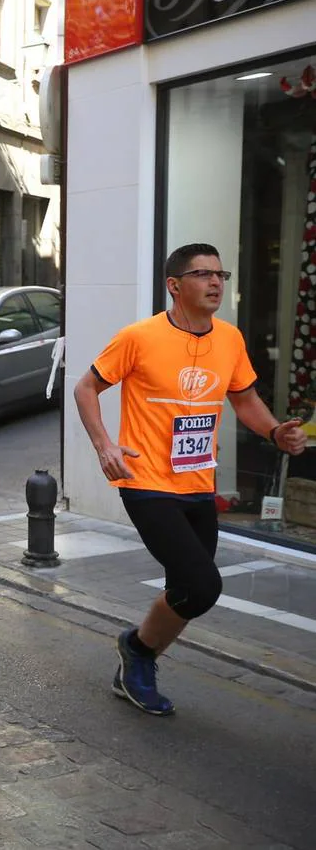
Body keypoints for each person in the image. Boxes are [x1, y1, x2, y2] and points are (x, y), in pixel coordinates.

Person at [73, 242, 307, 716]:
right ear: (174, 286)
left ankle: (136, 652)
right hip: (146, 481)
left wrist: (274, 429)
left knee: (187, 589)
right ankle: (140, 652)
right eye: (203, 274)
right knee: (203, 586)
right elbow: (86, 387)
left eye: (221, 274)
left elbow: (242, 397)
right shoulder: (138, 337)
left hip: (199, 483)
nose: (216, 282)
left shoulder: (230, 339)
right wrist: (105, 446)